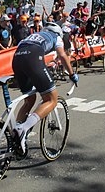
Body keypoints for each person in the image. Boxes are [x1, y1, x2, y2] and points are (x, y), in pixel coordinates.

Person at [12, 22, 79, 154]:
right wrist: (72, 74)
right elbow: (62, 55)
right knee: (51, 99)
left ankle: (17, 132)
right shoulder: (56, 37)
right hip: (33, 58)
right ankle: (23, 128)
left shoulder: (32, 35)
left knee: (29, 100)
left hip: (17, 59)